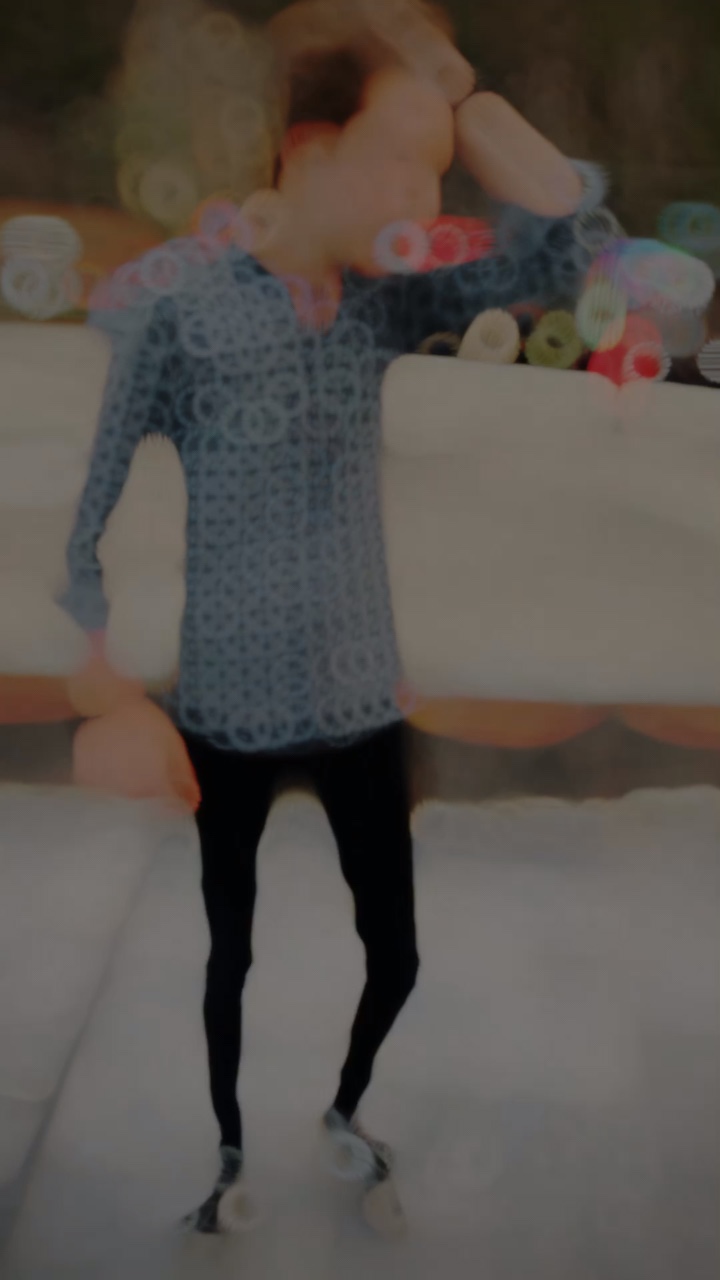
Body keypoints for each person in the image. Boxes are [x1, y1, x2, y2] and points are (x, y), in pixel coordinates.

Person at [60, 27, 605, 1235]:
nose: (425, 195)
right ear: (311, 150)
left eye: (435, 168)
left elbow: (561, 243)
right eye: (401, 159)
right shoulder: (185, 312)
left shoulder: (385, 299)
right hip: (226, 707)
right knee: (230, 958)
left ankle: (347, 1109)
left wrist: (466, 100)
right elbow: (84, 523)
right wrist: (116, 693)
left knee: (394, 953)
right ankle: (227, 1151)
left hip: (360, 696)